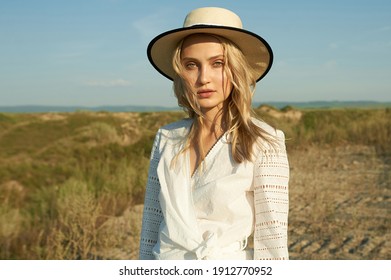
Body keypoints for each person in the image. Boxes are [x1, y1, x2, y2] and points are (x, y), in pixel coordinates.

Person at [139, 7, 289, 260]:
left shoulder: (264, 140)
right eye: (191, 65)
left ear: (236, 69)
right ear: (180, 73)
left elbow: (272, 239)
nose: (203, 78)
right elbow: (151, 227)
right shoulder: (167, 138)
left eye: (217, 63)